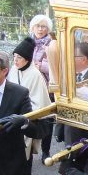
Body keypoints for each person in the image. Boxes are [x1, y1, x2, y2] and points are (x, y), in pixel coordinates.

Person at [7, 37, 51, 175]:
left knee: (25, 152)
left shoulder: (35, 75)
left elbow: (39, 101)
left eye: (19, 58)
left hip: (26, 117)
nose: (16, 61)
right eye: (14, 57)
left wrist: (24, 114)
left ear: (27, 59)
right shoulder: (13, 70)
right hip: (13, 115)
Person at [29, 14, 56, 160]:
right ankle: (30, 147)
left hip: (46, 85)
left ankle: (46, 150)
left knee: (47, 118)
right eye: (37, 26)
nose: (40, 29)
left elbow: (57, 65)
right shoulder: (28, 42)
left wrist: (40, 66)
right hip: (29, 85)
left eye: (43, 26)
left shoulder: (52, 44)